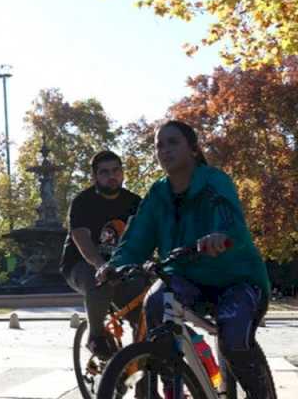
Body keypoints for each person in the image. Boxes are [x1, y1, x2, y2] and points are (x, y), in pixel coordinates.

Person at [98, 120, 271, 398]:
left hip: (236, 278)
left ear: (193, 149)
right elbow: (137, 238)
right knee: (155, 303)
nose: (164, 150)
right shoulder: (158, 193)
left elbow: (230, 219)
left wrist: (219, 236)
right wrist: (115, 265)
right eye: (159, 145)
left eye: (173, 142)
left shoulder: (214, 181)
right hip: (186, 276)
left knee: (234, 336)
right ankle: (173, 386)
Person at [60, 150, 145, 359]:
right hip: (81, 265)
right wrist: (100, 265)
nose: (111, 176)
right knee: (100, 281)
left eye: (116, 170)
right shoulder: (82, 202)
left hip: (121, 265)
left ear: (123, 173)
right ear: (95, 177)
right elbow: (82, 239)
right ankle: (95, 336)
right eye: (104, 172)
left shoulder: (135, 202)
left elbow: (146, 235)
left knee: (145, 310)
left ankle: (142, 375)